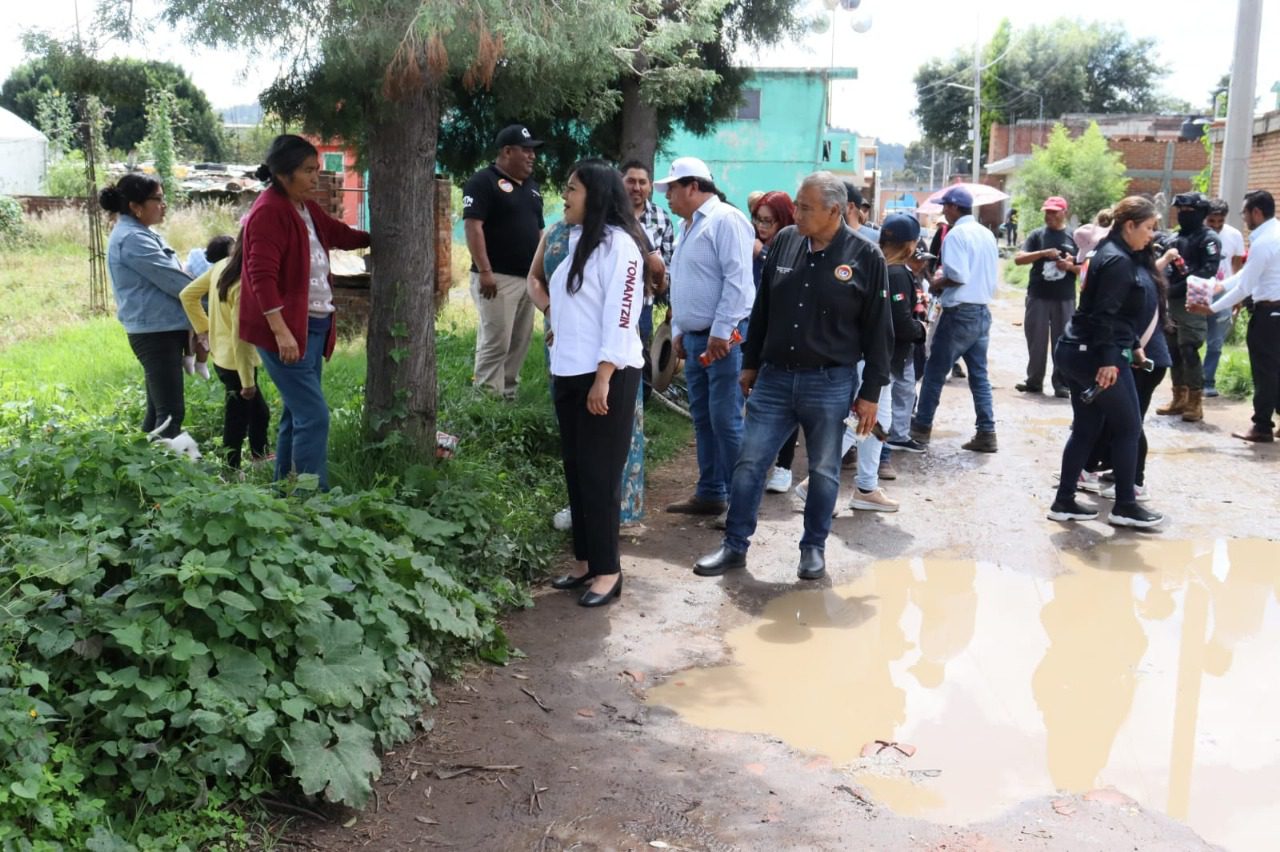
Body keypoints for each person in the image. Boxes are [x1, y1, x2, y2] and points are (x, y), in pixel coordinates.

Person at [692, 171, 891, 582]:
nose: (796, 214)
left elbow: (879, 332)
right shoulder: (784, 242)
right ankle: (734, 546)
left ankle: (813, 549)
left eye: (805, 207)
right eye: (797, 205)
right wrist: (750, 363)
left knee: (823, 470)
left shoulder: (866, 257)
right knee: (749, 464)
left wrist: (870, 394)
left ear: (834, 211)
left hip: (830, 383)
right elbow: (763, 307)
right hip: (775, 379)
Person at [529, 160, 648, 607]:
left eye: (572, 188)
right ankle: (585, 562)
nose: (565, 195)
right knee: (577, 472)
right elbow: (562, 302)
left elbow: (622, 315)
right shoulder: (576, 240)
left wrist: (603, 377)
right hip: (569, 372)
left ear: (595, 195)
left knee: (600, 475)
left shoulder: (621, 247)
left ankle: (609, 572)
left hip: (607, 376)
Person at [238, 135, 371, 491]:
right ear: (283, 173)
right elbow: (260, 277)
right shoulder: (269, 212)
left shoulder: (304, 207)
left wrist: (379, 237)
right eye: (308, 171)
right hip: (287, 331)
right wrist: (282, 332)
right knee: (314, 416)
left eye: (316, 169)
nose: (316, 177)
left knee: (296, 414)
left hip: (313, 325)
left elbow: (338, 233)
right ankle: (313, 500)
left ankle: (284, 489)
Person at [1047, 196, 1165, 529]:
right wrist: (1112, 360)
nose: (1151, 235)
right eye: (1148, 228)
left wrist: (1133, 349)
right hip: (1094, 355)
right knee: (1128, 427)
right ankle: (1125, 505)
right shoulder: (1117, 261)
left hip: (1081, 350)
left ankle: (1064, 500)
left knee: (1087, 426)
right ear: (1129, 225)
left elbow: (1117, 314)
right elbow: (1106, 315)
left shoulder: (1115, 254)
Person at [655, 157, 755, 516]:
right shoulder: (689, 226)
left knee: (726, 418)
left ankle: (741, 503)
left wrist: (721, 330)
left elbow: (738, 281)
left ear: (693, 187)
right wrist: (680, 329)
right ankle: (711, 490)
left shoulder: (726, 220)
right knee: (704, 417)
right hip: (698, 338)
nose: (667, 196)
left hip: (723, 339)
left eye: (672, 188)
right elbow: (684, 280)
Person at [100, 174, 194, 439]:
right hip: (156, 334)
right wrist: (223, 300)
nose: (163, 205)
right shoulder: (132, 238)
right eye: (158, 199)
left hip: (163, 329)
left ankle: (141, 471)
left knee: (157, 413)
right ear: (135, 205)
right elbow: (176, 282)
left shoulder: (143, 233)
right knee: (171, 413)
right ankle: (163, 475)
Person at [909, 186, 999, 453]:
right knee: (979, 376)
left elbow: (958, 275)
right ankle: (986, 431)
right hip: (981, 311)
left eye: (945, 206)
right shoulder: (986, 234)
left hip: (959, 312)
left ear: (953, 207)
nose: (943, 211)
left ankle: (921, 428)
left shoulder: (957, 234)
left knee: (935, 372)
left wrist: (937, 283)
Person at [462, 124, 545, 399]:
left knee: (518, 343)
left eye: (534, 150)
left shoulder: (533, 189)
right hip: (496, 279)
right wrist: (485, 270)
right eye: (526, 150)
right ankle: (485, 401)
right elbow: (473, 227)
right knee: (496, 342)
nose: (532, 156)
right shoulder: (482, 181)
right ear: (507, 151)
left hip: (527, 279)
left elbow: (539, 232)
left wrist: (541, 272)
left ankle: (507, 397)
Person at [1192, 190, 1280, 443]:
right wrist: (1220, 286)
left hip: (1268, 314)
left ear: (1256, 212)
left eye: (1244, 213)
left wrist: (1213, 307)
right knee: (1278, 369)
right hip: (1276, 312)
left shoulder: (1264, 242)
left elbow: (1245, 288)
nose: (1243, 219)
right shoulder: (1274, 234)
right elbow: (1246, 275)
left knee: (1265, 371)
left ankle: (1261, 426)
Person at [179, 234, 270, 469]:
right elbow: (241, 337)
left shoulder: (221, 266)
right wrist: (247, 381)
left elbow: (187, 295)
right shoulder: (242, 285)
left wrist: (203, 329)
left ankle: (257, 457)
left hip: (222, 356)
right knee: (241, 417)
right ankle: (232, 467)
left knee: (255, 413)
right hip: (237, 361)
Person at [1154, 191, 1221, 422]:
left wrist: (1179, 287)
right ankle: (1178, 398)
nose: (1183, 215)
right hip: (1170, 301)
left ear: (1201, 213)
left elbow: (1207, 271)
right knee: (1173, 349)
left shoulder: (1208, 239)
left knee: (1189, 349)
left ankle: (1195, 401)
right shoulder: (1174, 238)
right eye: (1180, 211)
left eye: (1188, 212)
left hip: (1192, 301)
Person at [748, 191, 799, 493]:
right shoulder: (753, 246)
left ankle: (784, 466)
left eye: (769, 221)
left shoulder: (793, 247)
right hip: (755, 331)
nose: (762, 227)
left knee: (788, 409)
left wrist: (763, 254)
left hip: (783, 338)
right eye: (758, 219)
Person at [1014, 196, 1079, 398]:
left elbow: (1086, 269)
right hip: (1038, 296)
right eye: (1047, 212)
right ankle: (1034, 381)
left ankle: (1061, 384)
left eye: (1053, 212)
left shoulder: (1074, 237)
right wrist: (1042, 253)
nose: (1049, 216)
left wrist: (1069, 266)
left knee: (1064, 341)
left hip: (1065, 298)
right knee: (1036, 340)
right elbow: (1018, 259)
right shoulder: (1037, 235)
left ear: (1064, 212)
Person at [880, 215, 928, 462]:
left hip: (881, 351)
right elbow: (900, 322)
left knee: (881, 412)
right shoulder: (897, 272)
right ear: (910, 244)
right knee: (878, 414)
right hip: (890, 352)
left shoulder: (881, 266)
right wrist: (920, 330)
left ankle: (892, 442)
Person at [1202, 198, 1247, 397]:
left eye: (1220, 221)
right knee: (1192, 339)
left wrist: (1237, 295)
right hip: (1200, 291)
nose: (1216, 225)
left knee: (1215, 341)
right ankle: (1189, 382)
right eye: (1212, 221)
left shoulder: (1234, 235)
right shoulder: (1199, 234)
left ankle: (1208, 381)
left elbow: (1237, 266)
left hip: (1224, 293)